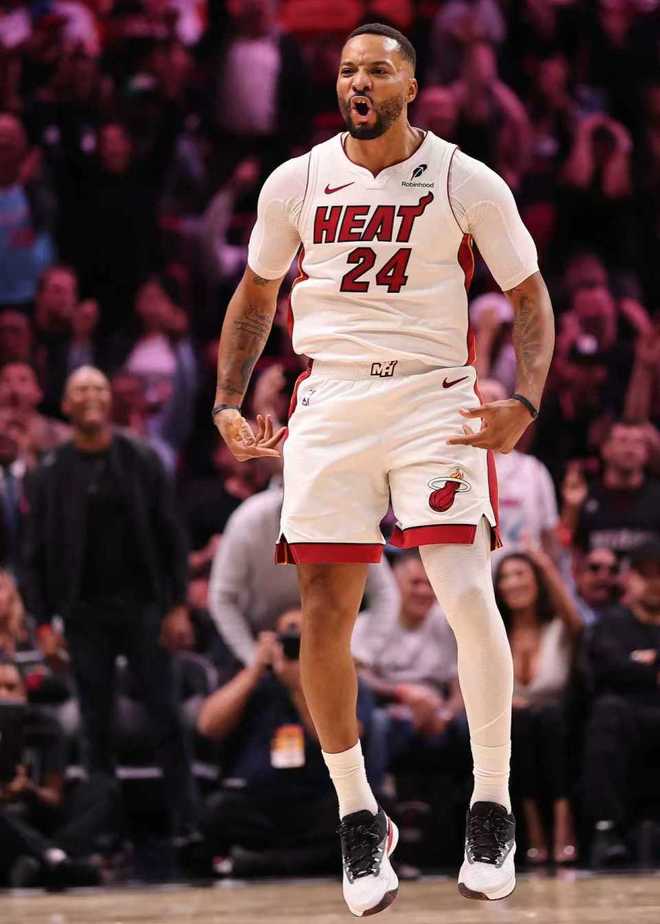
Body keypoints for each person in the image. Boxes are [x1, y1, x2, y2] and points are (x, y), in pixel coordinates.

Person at [211, 23, 554, 912]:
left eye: (376, 70)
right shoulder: (295, 180)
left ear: (410, 86)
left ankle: (490, 805)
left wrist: (525, 401)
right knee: (325, 619)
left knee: (465, 594)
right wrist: (227, 400)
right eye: (346, 70)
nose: (357, 82)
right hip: (329, 401)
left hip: (434, 398)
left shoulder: (464, 178)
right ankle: (360, 818)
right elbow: (255, 294)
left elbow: (528, 295)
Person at [22, 365, 197, 840]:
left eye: (99, 387)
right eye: (80, 389)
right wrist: (43, 624)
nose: (91, 395)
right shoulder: (49, 473)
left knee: (167, 717)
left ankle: (189, 829)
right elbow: (34, 557)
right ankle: (100, 834)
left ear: (109, 399)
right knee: (95, 728)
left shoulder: (141, 458)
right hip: (83, 613)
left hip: (144, 607)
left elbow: (172, 536)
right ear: (66, 404)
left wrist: (178, 605)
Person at [197, 608, 374, 877]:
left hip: (317, 799)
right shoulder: (255, 681)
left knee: (362, 813)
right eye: (289, 638)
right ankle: (298, 862)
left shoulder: (340, 680)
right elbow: (208, 725)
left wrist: (300, 688)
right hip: (257, 802)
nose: (295, 646)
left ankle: (259, 863)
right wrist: (255, 667)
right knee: (216, 810)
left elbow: (350, 739)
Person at [207, 482, 399, 666]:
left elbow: (385, 593)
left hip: (326, 642)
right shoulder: (248, 522)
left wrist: (362, 654)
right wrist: (251, 656)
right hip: (255, 636)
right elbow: (222, 598)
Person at [494, 550, 582, 865]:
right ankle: (533, 832)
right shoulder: (496, 633)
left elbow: (578, 624)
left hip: (560, 718)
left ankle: (563, 828)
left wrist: (544, 563)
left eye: (520, 574)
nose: (513, 583)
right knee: (521, 724)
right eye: (505, 577)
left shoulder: (559, 626)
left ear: (537, 581)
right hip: (514, 721)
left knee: (549, 719)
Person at [352, 550, 468, 782]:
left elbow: (461, 685)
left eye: (430, 584)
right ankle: (377, 795)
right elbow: (357, 675)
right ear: (394, 584)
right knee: (377, 724)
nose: (424, 591)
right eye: (415, 583)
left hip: (437, 708)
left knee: (469, 726)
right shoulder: (367, 623)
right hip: (386, 705)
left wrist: (445, 714)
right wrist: (402, 693)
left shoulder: (448, 622)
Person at [0, 655, 112, 889]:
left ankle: (47, 860)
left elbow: (53, 798)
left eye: (10, 688)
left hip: (38, 816)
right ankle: (57, 861)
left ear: (24, 692)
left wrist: (27, 789)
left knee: (102, 787)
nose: (3, 695)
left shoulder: (45, 727)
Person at [581, 541, 660, 867]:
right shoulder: (611, 623)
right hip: (627, 718)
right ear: (630, 578)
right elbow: (608, 667)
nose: (654, 583)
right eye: (646, 574)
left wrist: (642, 663)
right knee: (607, 713)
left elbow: (624, 667)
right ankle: (607, 830)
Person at [478, 378, 559, 561]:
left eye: (493, 400)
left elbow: (549, 534)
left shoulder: (533, 470)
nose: (486, 408)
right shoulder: (455, 468)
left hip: (522, 571)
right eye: (480, 400)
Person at [571, 420, 660, 556]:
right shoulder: (584, 497)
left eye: (638, 442)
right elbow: (571, 552)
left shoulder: (657, 498)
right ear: (605, 449)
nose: (630, 449)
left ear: (647, 452)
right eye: (623, 441)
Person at [572, 546, 620, 627]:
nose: (603, 577)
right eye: (595, 568)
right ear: (578, 574)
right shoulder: (561, 610)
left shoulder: (623, 616)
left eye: (612, 570)